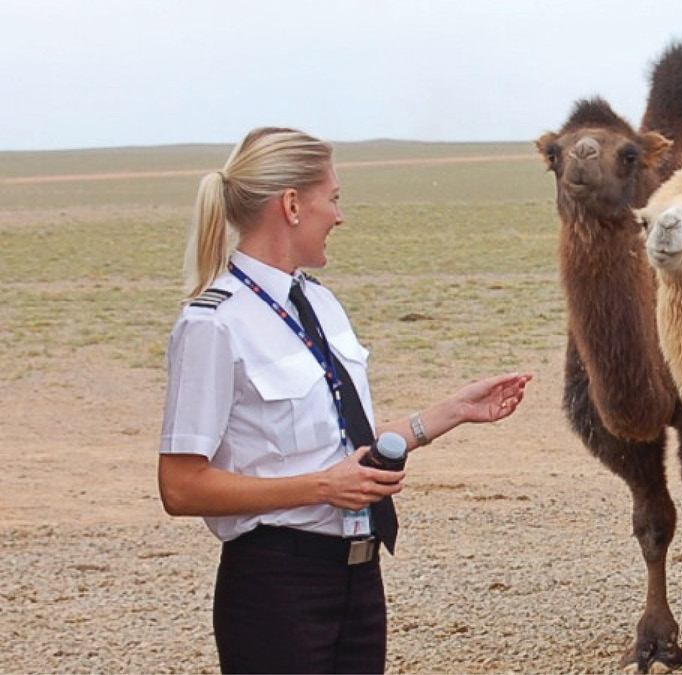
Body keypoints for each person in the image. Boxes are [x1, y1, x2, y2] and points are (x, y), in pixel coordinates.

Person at [157, 126, 532, 674]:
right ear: (291, 205)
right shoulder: (214, 324)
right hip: (276, 588)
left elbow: (343, 445)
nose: (339, 215)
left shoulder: (321, 304)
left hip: (359, 576)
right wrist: (320, 488)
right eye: (332, 199)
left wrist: (451, 412)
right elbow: (180, 485)